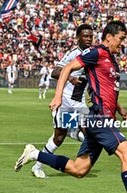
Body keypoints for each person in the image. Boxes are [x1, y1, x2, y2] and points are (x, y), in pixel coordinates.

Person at [15, 21, 127, 193]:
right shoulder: (96, 53)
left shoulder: (112, 61)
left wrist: (120, 108)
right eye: (121, 39)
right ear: (109, 37)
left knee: (78, 169)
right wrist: (56, 96)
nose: (123, 43)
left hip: (98, 117)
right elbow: (65, 69)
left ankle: (35, 154)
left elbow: (107, 90)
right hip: (99, 117)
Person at [31, 24, 94, 178]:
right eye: (85, 36)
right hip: (66, 102)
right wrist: (70, 78)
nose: (88, 39)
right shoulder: (73, 54)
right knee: (58, 138)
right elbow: (55, 72)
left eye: (90, 36)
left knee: (90, 134)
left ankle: (78, 163)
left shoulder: (92, 53)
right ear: (78, 37)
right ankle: (37, 166)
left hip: (79, 103)